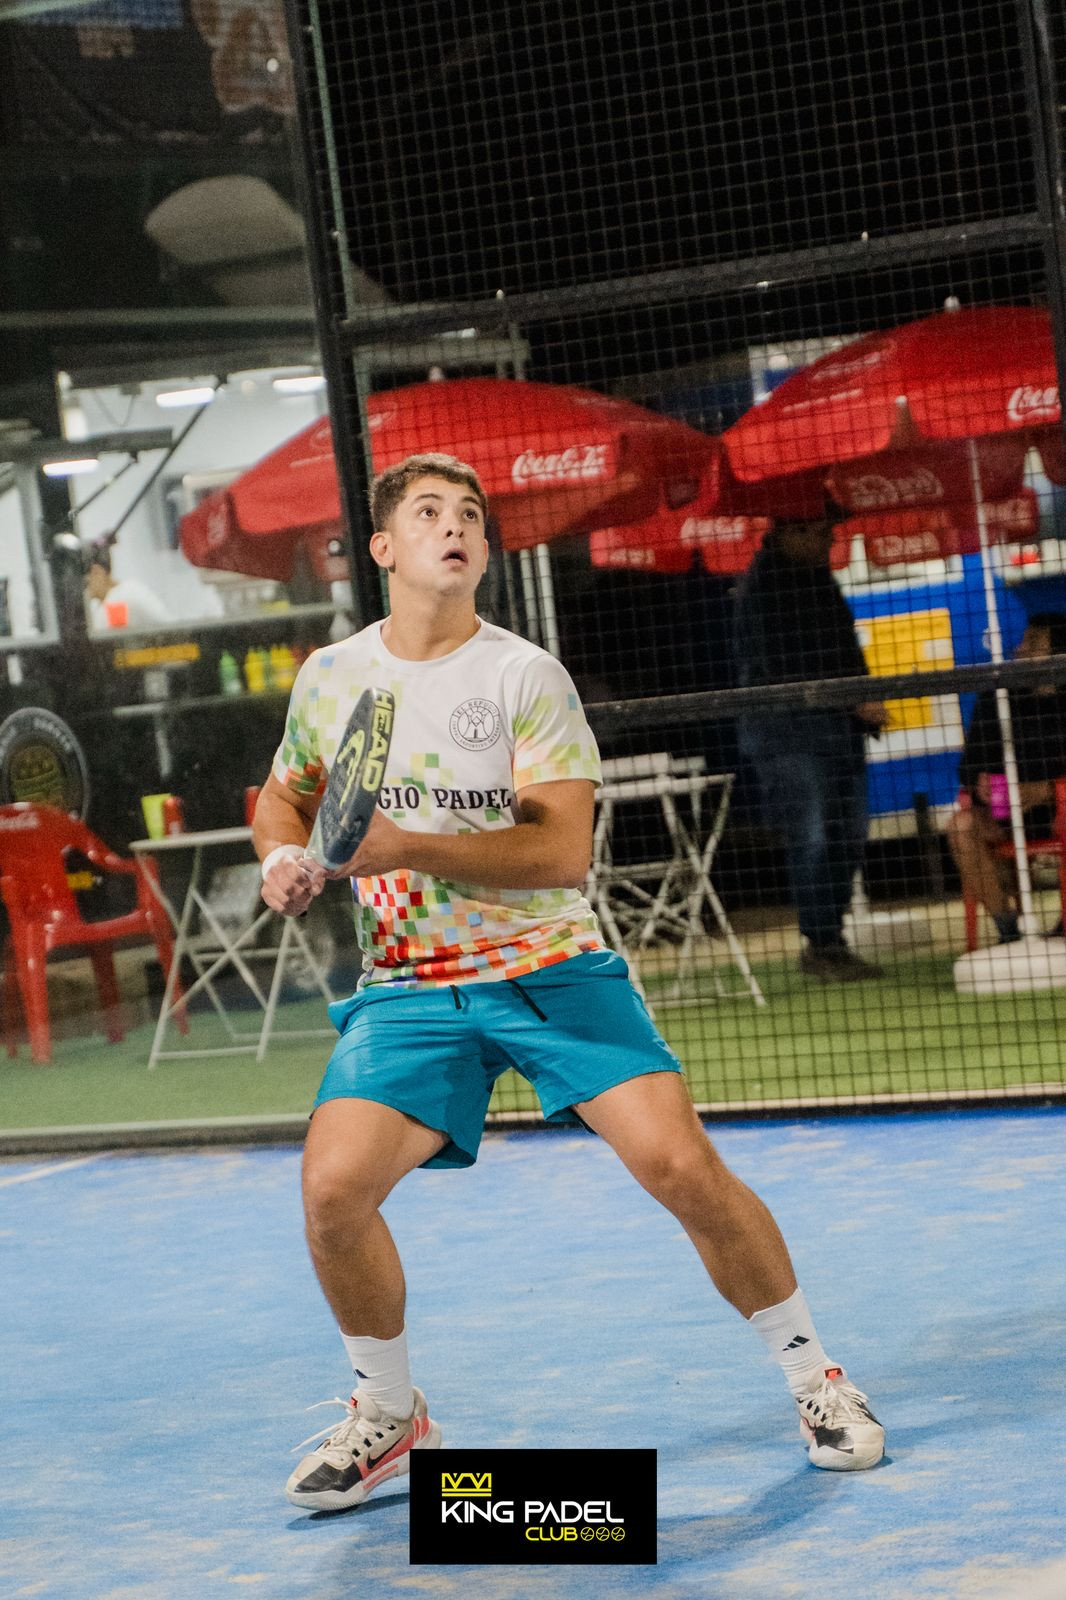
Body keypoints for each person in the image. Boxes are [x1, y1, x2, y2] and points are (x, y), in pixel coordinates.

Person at [255, 453, 885, 1514]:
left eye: (470, 515)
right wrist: (282, 854)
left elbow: (560, 854)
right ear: (383, 547)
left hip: (548, 968)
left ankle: (815, 1375)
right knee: (331, 1192)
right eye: (428, 512)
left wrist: (404, 844)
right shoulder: (331, 676)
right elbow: (284, 795)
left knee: (681, 1167)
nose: (454, 526)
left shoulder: (523, 677)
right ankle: (390, 1413)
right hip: (409, 986)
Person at [733, 519, 888, 982]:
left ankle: (830, 940)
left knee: (849, 835)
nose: (828, 541)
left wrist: (860, 697)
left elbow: (844, 651)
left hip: (836, 732)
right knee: (814, 836)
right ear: (789, 532)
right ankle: (821, 942)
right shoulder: (763, 589)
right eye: (819, 533)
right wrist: (854, 699)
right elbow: (783, 664)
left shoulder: (821, 580)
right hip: (787, 736)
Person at [947, 612, 1066, 944]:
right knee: (960, 828)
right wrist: (980, 782)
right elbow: (968, 765)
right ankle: (1008, 928)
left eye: (1033, 643)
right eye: (1024, 640)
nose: (1020, 649)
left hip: (1058, 808)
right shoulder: (997, 697)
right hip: (1004, 813)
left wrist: (1046, 790)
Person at [84, 542, 172, 630]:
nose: (83, 589)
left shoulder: (120, 600)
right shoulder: (130, 589)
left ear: (96, 572)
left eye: (85, 582)